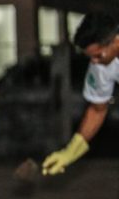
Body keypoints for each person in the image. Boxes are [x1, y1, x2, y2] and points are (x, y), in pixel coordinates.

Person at [42, 12, 118, 175]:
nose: (94, 62)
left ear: (116, 41)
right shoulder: (101, 66)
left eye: (98, 55)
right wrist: (71, 152)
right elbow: (98, 109)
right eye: (91, 57)